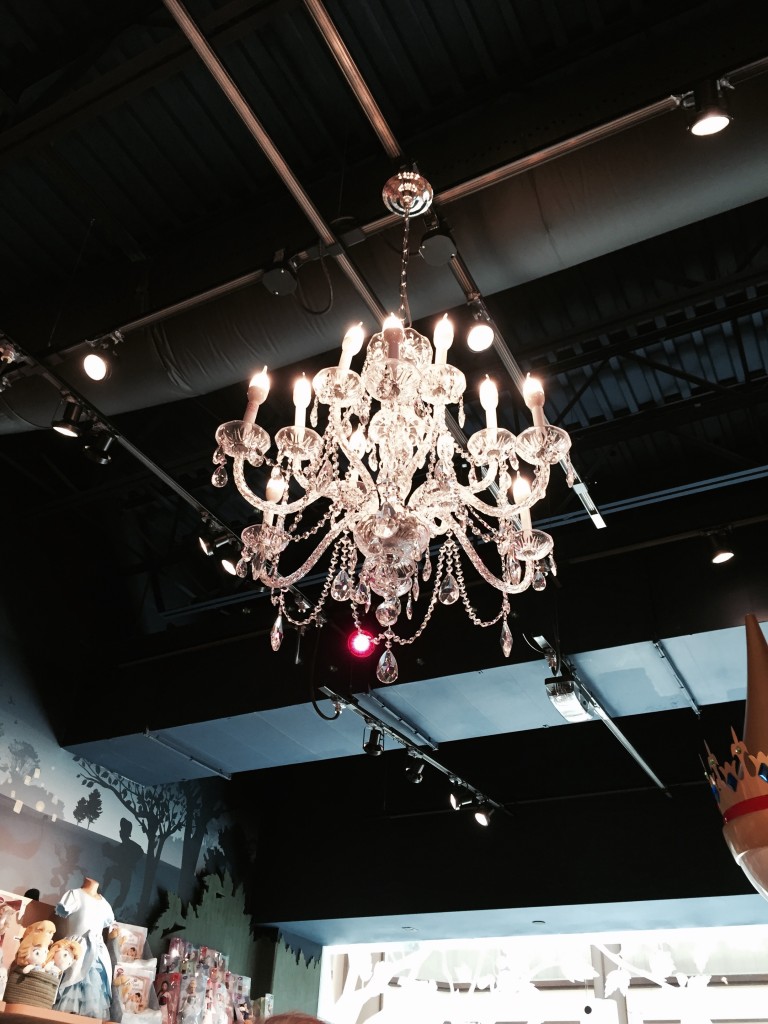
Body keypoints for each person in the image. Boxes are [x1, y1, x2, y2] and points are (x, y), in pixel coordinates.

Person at [53, 876, 115, 1019]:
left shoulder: (105, 905)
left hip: (97, 953)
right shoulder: (75, 895)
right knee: (71, 980)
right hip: (75, 949)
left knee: (93, 988)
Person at [101, 817, 143, 912]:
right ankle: (103, 893)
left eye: (122, 831)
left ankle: (113, 908)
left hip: (126, 873)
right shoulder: (122, 847)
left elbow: (139, 852)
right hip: (123, 872)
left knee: (123, 892)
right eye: (121, 831)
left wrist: (131, 862)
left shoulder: (132, 846)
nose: (120, 833)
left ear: (126, 833)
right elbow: (113, 855)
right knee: (109, 871)